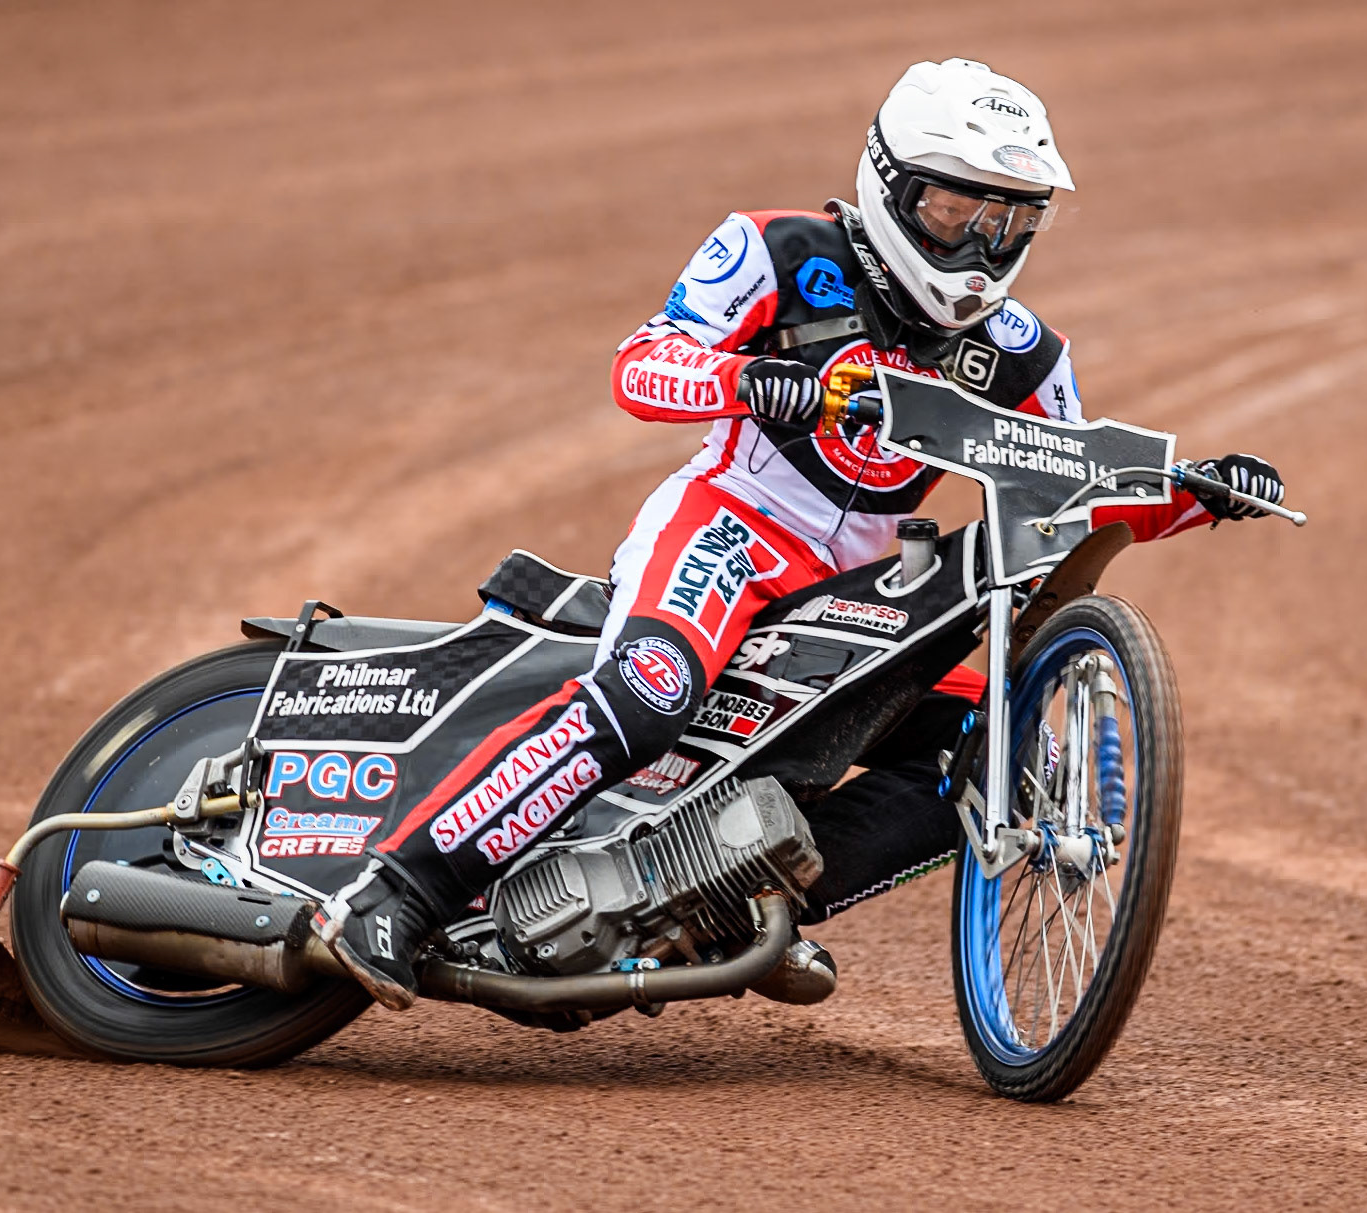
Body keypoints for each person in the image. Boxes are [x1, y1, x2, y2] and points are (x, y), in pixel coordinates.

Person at [316, 57, 1285, 1010]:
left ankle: (731, 902)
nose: (982, 246)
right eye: (960, 213)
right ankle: (392, 897)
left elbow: (1071, 482)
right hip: (729, 526)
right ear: (895, 187)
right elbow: (642, 363)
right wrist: (740, 379)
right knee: (649, 692)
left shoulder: (1024, 350)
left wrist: (1197, 490)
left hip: (864, 581)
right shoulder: (772, 248)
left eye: (1009, 222)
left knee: (995, 745)